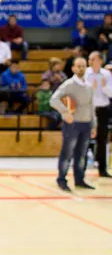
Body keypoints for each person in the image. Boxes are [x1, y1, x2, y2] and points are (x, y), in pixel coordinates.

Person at [50, 57, 97, 192]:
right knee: (67, 153)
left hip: (86, 123)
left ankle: (80, 179)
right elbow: (53, 100)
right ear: (73, 68)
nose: (81, 68)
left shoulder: (88, 86)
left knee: (81, 154)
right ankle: (62, 179)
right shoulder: (68, 84)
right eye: (78, 66)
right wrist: (65, 113)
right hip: (72, 124)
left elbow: (91, 106)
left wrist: (94, 124)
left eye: (83, 66)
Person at [84, 51, 112, 177]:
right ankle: (81, 169)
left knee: (102, 139)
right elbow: (83, 91)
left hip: (103, 109)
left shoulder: (107, 74)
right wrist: (92, 88)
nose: (90, 61)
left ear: (100, 60)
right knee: (85, 138)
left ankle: (102, 169)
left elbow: (111, 93)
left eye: (92, 59)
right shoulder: (86, 73)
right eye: (89, 59)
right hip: (89, 108)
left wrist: (104, 86)